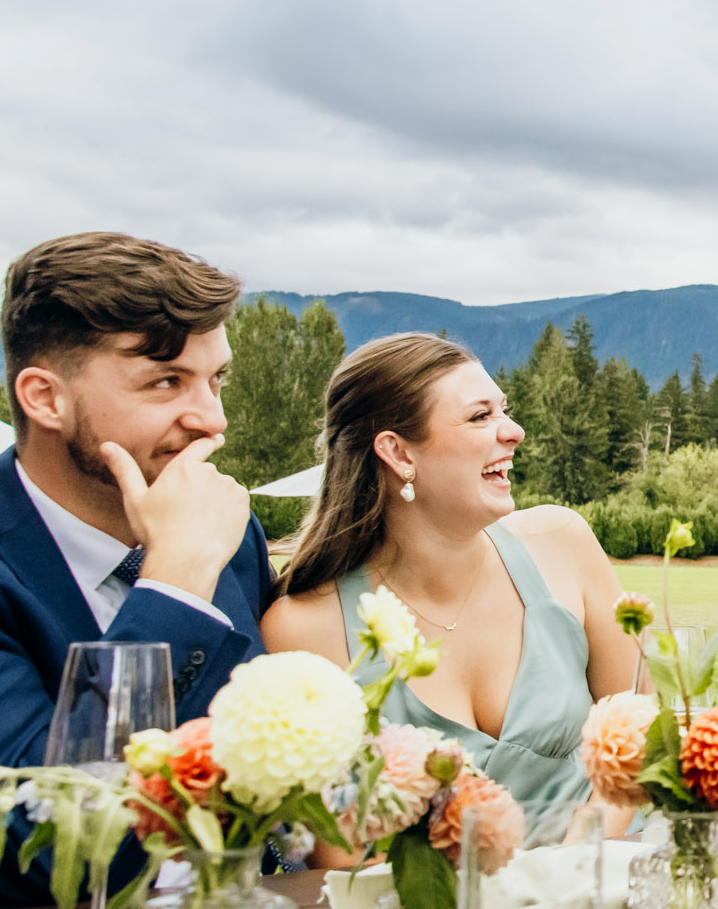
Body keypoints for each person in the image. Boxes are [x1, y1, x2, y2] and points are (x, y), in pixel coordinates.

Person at [0, 233, 272, 907]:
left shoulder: (230, 534)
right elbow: (39, 841)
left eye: (215, 379)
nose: (212, 420)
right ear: (45, 398)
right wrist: (173, 588)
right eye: (166, 381)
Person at [262, 333, 639, 824]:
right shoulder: (303, 629)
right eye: (481, 416)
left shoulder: (562, 544)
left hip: (601, 876)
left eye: (505, 410)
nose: (514, 431)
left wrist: (573, 869)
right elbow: (340, 853)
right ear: (398, 453)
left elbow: (637, 735)